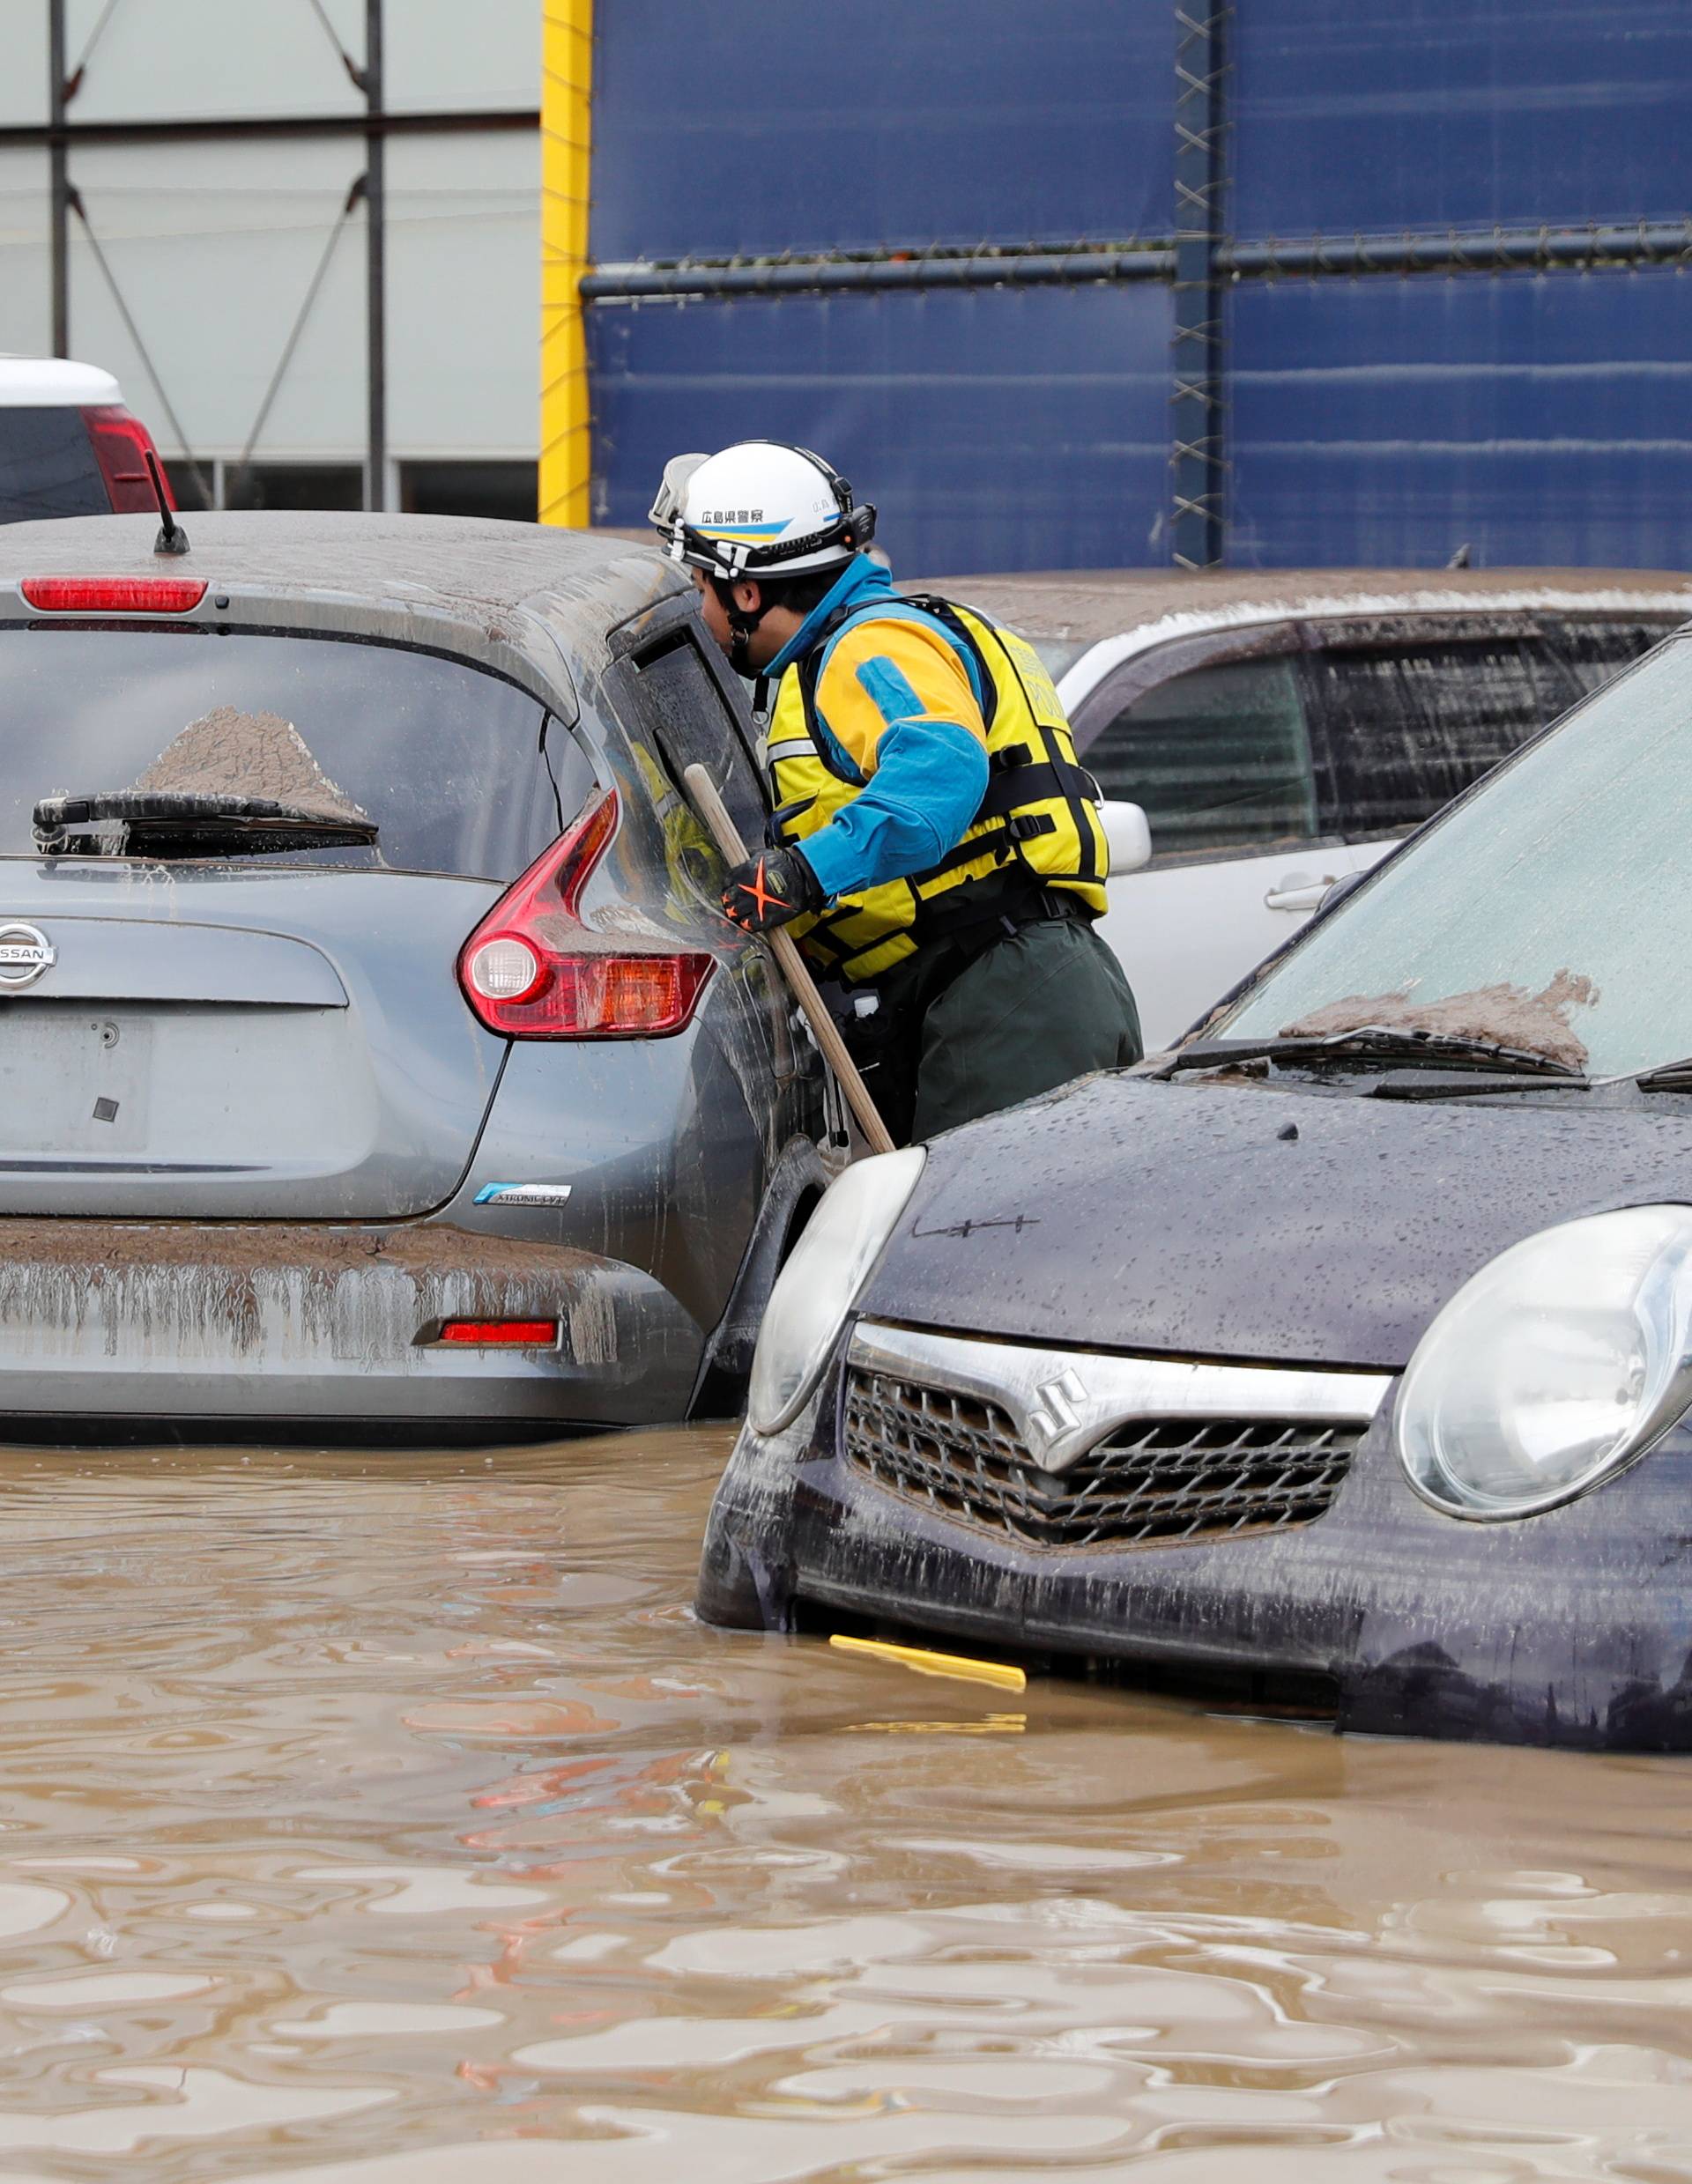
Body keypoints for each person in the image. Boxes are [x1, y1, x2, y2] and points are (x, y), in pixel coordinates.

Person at [649, 441, 1141, 1144]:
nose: (701, 610)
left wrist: (803, 873)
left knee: (986, 1242)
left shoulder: (870, 648)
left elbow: (942, 771)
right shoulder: (886, 636)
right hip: (1014, 983)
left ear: (748, 590)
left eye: (702, 588)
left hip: (1007, 994)